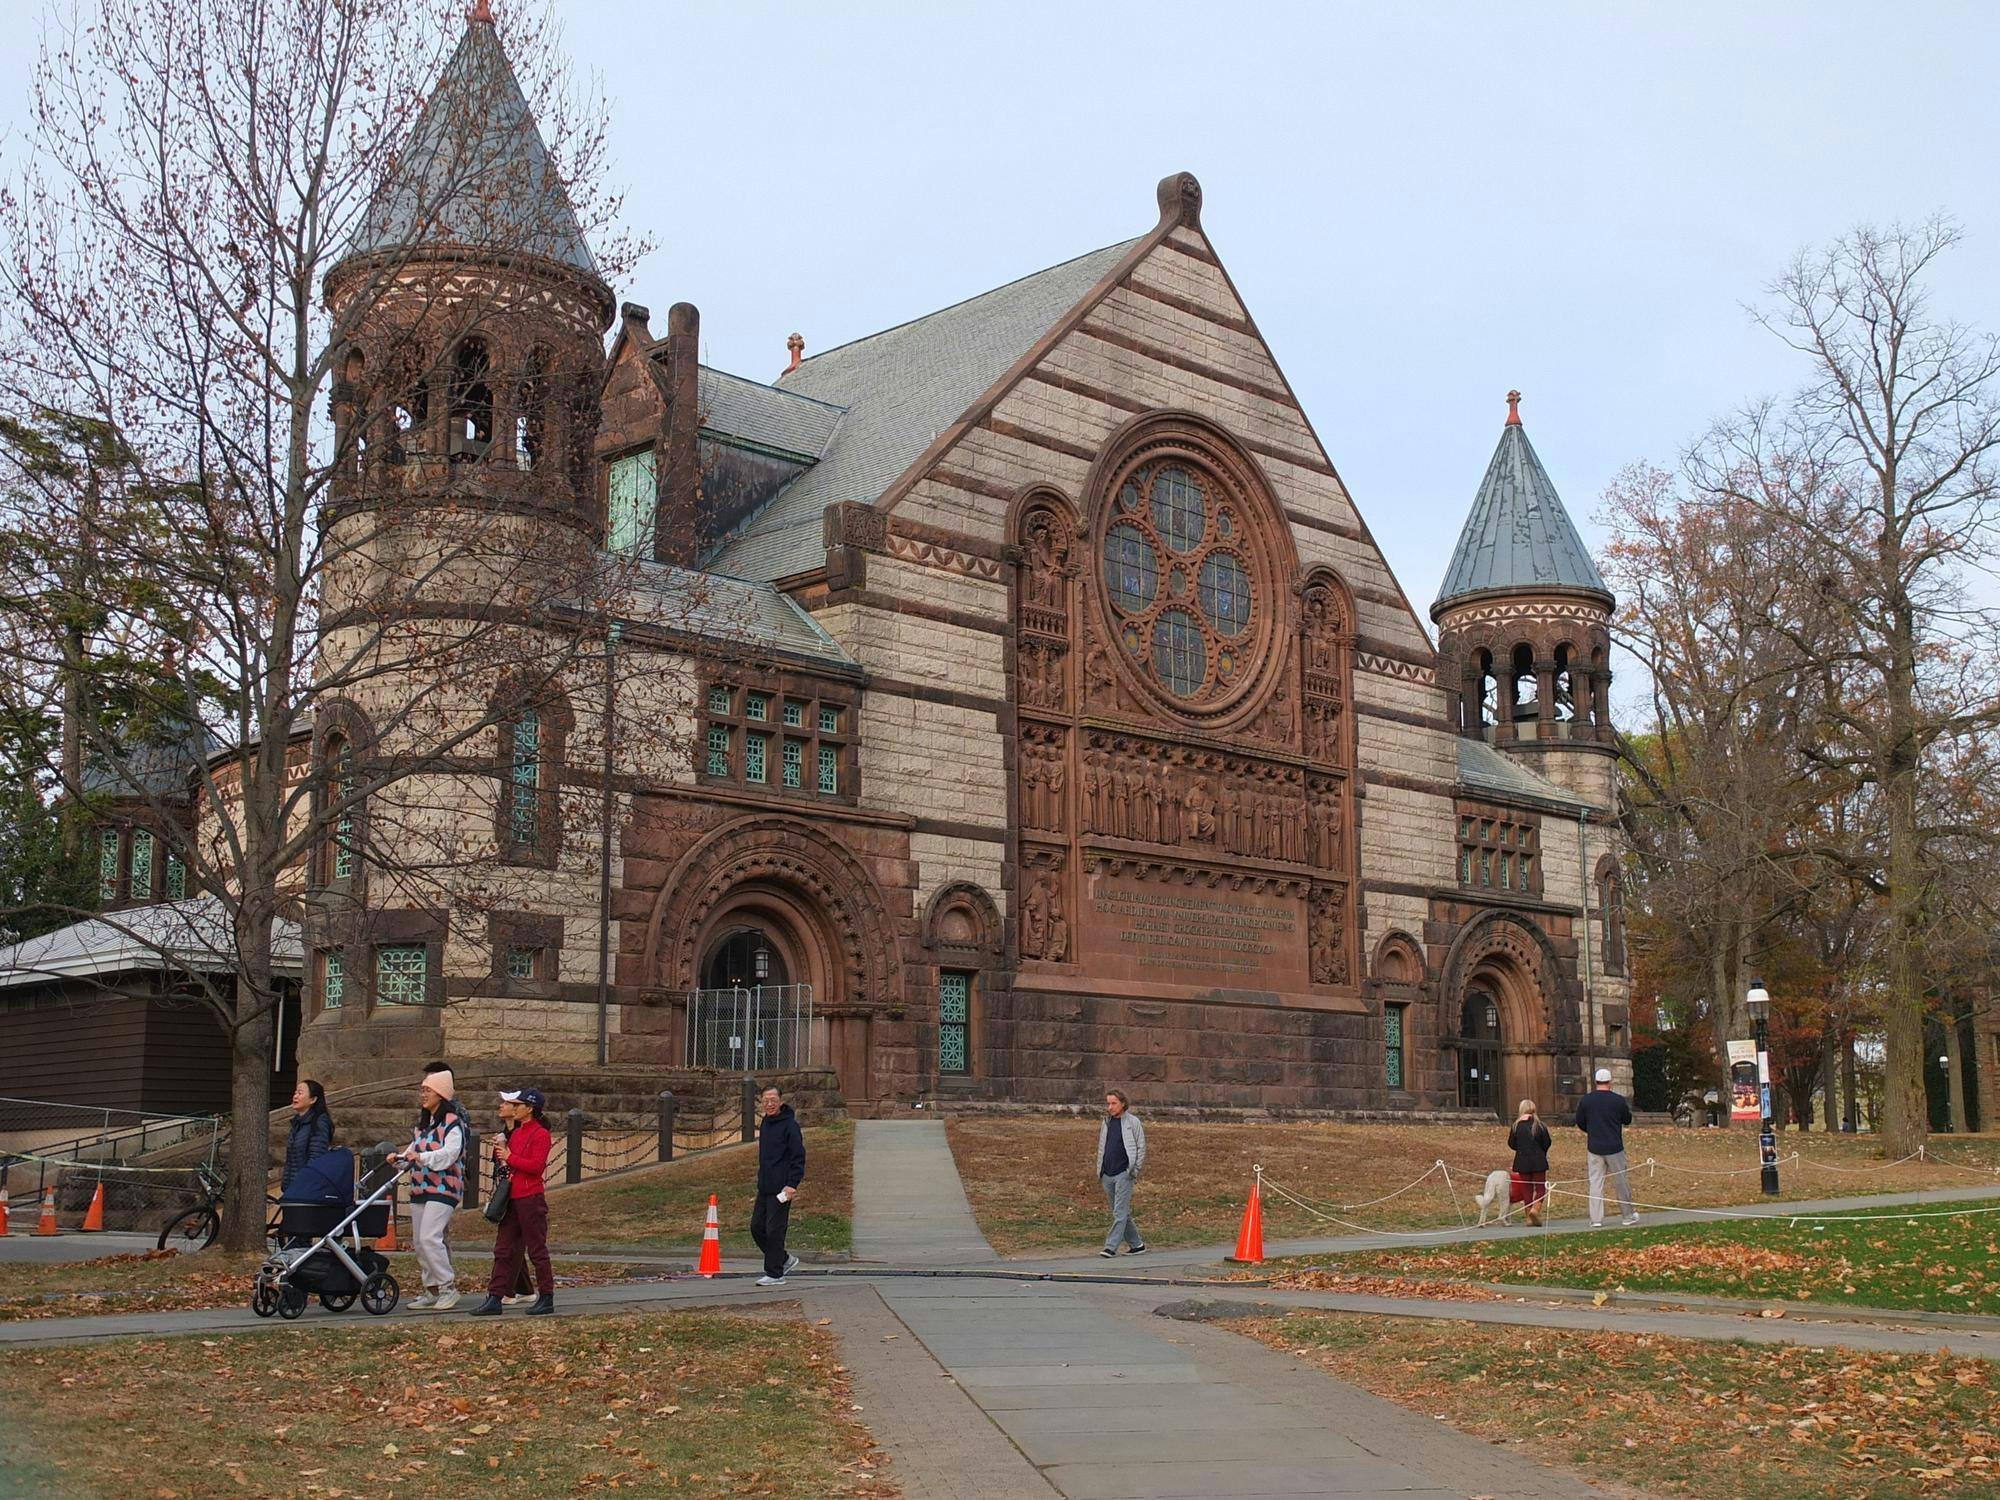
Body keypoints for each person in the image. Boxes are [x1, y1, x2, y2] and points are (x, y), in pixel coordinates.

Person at [469, 1087, 554, 1317]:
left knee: (536, 1249)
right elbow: (512, 1165)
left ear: (530, 1109)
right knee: (503, 1249)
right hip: (513, 1197)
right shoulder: (517, 1133)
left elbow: (536, 1167)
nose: (514, 1109)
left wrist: (510, 1156)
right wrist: (503, 1156)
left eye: (518, 1105)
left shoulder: (540, 1134)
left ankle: (547, 1296)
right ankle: (495, 1297)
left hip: (530, 1197)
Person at [389, 1062, 467, 1310]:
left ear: (441, 1094)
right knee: (420, 1241)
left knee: (430, 1237)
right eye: (422, 1090)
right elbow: (412, 1153)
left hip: (444, 1188)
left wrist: (421, 1158)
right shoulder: (423, 1126)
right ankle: (431, 1289)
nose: (423, 1094)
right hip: (421, 1187)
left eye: (428, 1090)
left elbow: (450, 1154)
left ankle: (447, 1287)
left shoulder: (453, 1123)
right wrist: (398, 1159)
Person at [751, 1084, 805, 1288]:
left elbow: (798, 1156)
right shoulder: (765, 1123)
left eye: (773, 1100)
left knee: (774, 1231)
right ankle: (783, 1259)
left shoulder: (790, 1126)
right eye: (766, 1100)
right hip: (764, 1186)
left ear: (781, 1101)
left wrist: (792, 1185)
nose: (770, 1104)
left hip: (782, 1188)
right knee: (756, 1227)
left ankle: (775, 1274)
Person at [1575, 1067, 1638, 1227]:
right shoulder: (1617, 1100)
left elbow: (1580, 1121)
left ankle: (1596, 1219)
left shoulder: (1586, 1100)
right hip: (1614, 1146)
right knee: (1621, 1182)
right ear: (1610, 1082)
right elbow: (1627, 1119)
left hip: (1594, 1146)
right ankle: (1627, 1215)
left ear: (1596, 1082)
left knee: (1595, 1183)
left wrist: (1592, 1130)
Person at [1096, 1089, 1147, 1257]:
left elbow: (1141, 1147)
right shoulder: (1107, 1122)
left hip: (1124, 1173)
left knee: (1120, 1212)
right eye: (1108, 1103)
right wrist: (1100, 1170)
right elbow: (1103, 1147)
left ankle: (1110, 1247)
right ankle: (1137, 1244)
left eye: (1113, 1103)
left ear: (1123, 1103)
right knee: (1121, 1211)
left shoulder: (1133, 1122)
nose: (1110, 1107)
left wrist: (1134, 1169)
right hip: (1107, 1174)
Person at [281, 1078, 336, 1193]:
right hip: (292, 1190)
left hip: (306, 1190)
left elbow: (316, 1158)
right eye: (295, 1092)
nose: (295, 1096)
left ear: (313, 1099)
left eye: (300, 1093)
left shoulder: (319, 1123)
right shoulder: (297, 1124)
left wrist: (303, 1183)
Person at [1506, 1098, 1551, 1227]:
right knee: (1541, 1188)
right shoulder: (1540, 1125)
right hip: (1538, 1160)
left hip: (1522, 1161)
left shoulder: (1516, 1126)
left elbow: (1511, 1143)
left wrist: (1521, 1149)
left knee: (1527, 1189)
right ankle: (1535, 1210)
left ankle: (1528, 1216)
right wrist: (1541, 1152)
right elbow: (1547, 1142)